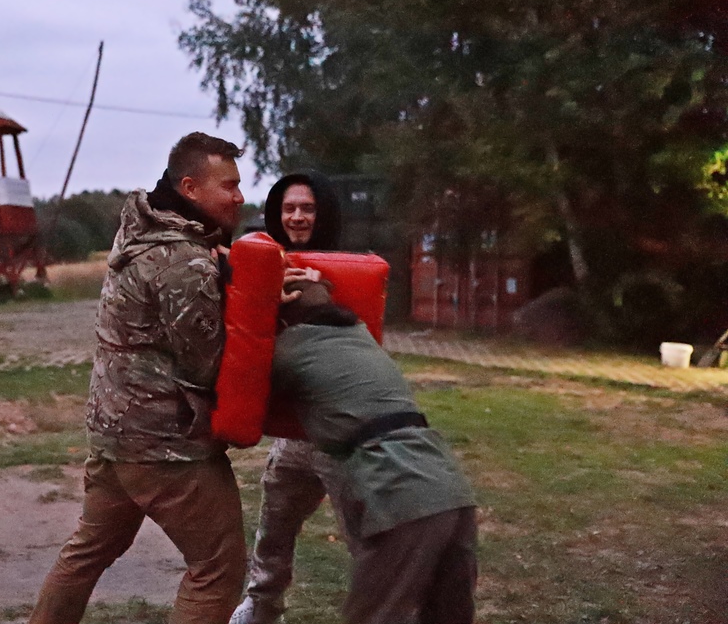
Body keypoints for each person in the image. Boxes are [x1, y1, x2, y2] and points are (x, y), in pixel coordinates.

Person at [28, 132, 248, 624]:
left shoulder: (140, 233)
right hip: (163, 443)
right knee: (217, 569)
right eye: (229, 185)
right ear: (190, 188)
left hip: (114, 433)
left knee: (87, 553)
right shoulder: (184, 259)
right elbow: (207, 363)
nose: (239, 196)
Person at [272, 280, 478, 624]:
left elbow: (227, 378)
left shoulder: (290, 348)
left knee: (375, 615)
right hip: (450, 485)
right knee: (447, 616)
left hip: (400, 492)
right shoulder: (361, 334)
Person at [231, 171, 349, 624]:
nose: (298, 217)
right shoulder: (263, 264)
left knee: (367, 534)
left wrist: (320, 297)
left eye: (308, 208)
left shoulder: (350, 268)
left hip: (341, 430)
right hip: (295, 431)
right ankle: (262, 607)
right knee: (275, 525)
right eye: (289, 208)